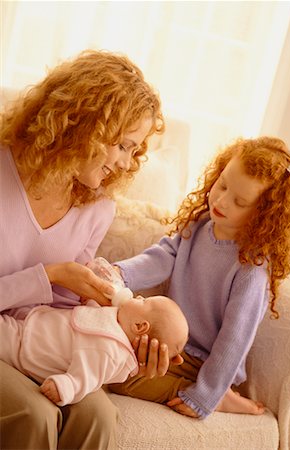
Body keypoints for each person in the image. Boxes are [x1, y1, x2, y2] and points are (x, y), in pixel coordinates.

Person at [0, 49, 172, 450]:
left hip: (44, 342)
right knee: (34, 413)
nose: (129, 164)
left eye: (136, 151)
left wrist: (127, 337)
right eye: (125, 146)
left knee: (97, 415)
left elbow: (71, 313)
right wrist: (51, 275)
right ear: (86, 123)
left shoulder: (97, 206)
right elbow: (54, 284)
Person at [108, 136, 290, 419]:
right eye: (222, 185)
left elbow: (234, 338)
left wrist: (204, 395)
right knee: (106, 348)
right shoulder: (200, 226)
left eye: (239, 201)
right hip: (170, 339)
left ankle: (219, 397)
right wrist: (120, 273)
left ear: (263, 216)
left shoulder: (251, 268)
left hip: (201, 361)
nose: (222, 201)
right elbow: (164, 257)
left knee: (121, 376)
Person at [0, 295, 188, 406]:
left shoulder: (109, 350)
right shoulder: (115, 321)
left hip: (24, 347)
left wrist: (66, 387)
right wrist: (90, 299)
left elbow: (87, 377)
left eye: (144, 301)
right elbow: (93, 317)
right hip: (32, 323)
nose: (138, 296)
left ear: (139, 326)